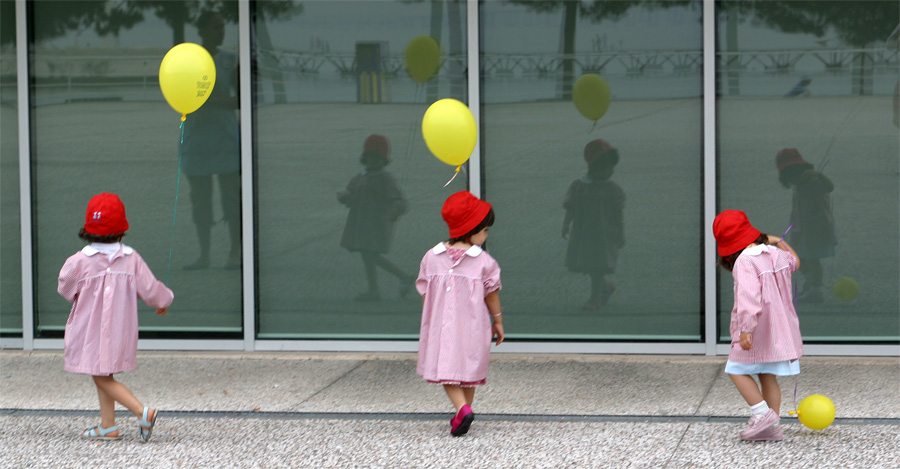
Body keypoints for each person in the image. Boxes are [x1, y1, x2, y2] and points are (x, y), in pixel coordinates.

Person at [58, 193, 174, 442]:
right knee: (104, 374)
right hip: (120, 330)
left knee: (100, 376)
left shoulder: (79, 261)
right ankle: (108, 426)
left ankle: (142, 411)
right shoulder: (131, 259)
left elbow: (65, 289)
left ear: (87, 230)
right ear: (122, 231)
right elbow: (151, 288)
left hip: (90, 331)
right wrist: (163, 301)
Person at [416, 191, 504, 436]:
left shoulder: (431, 257)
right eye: (485, 230)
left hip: (442, 328)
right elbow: (492, 295)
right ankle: (463, 411)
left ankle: (462, 411)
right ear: (471, 228)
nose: (486, 236)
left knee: (448, 371)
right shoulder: (485, 262)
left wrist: (429, 321)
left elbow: (426, 293)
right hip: (474, 328)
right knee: (468, 373)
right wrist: (498, 321)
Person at [713, 210, 803, 442]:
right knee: (767, 375)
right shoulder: (774, 253)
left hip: (756, 328)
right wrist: (779, 240)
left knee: (735, 369)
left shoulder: (744, 260)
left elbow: (749, 298)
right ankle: (772, 428)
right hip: (778, 330)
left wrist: (745, 329)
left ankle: (763, 415)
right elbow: (795, 262)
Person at [180, 10, 241, 270]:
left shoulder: (230, 60)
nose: (221, 32)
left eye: (223, 27)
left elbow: (240, 99)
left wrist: (208, 101)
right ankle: (204, 254)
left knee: (231, 197)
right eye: (215, 28)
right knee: (200, 199)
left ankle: (234, 252)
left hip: (226, 138)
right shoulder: (190, 60)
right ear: (202, 31)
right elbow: (183, 98)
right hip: (197, 140)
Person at [338, 134, 414, 301]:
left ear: (384, 160)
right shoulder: (362, 176)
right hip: (363, 223)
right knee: (368, 256)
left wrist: (396, 210)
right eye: (370, 158)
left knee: (370, 256)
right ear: (365, 159)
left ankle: (403, 277)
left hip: (376, 224)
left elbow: (398, 200)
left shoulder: (385, 178)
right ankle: (375, 290)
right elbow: (352, 193)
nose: (373, 161)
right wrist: (345, 196)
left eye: (377, 158)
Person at [562, 139, 625, 310]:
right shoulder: (580, 186)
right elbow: (571, 207)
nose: (609, 172)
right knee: (592, 266)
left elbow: (618, 214)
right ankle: (606, 287)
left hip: (604, 236)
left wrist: (621, 231)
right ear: (593, 166)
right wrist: (566, 224)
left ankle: (594, 299)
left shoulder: (613, 189)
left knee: (597, 269)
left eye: (611, 168)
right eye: (606, 168)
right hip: (585, 234)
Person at [775, 148, 836, 302]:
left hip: (815, 229)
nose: (794, 178)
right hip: (801, 229)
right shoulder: (798, 184)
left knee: (812, 259)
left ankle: (816, 291)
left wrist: (818, 175)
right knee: (799, 257)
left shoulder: (812, 180)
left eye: (795, 171)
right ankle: (812, 282)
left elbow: (830, 187)